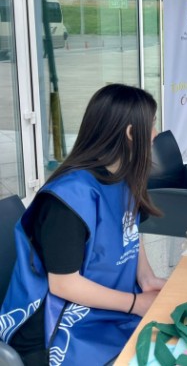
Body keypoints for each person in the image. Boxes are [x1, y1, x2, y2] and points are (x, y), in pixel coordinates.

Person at [0, 84, 166, 365]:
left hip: (103, 311)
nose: (155, 134)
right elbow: (65, 285)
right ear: (130, 133)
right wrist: (137, 303)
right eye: (150, 125)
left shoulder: (124, 178)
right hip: (51, 330)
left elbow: (131, 233)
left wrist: (147, 279)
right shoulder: (69, 198)